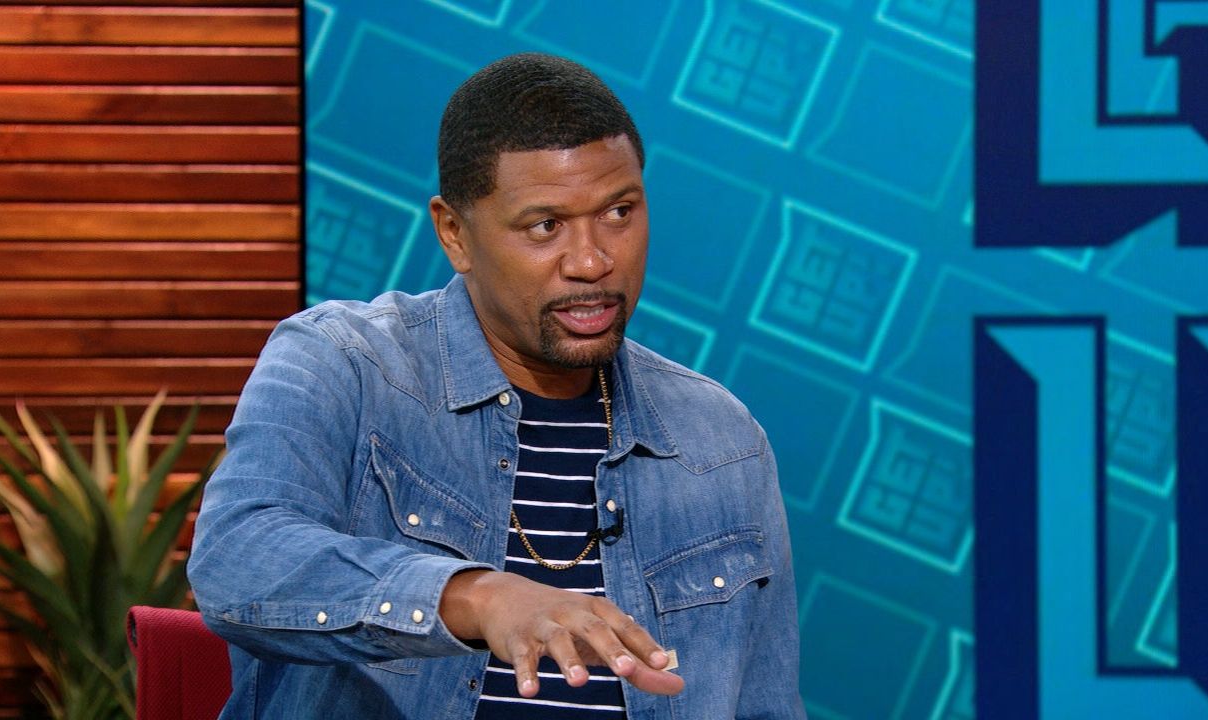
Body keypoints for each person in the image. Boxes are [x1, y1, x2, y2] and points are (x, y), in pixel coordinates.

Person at [188, 52, 806, 719]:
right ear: (454, 234)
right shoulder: (345, 364)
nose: (592, 261)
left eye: (619, 212)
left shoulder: (722, 441)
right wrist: (478, 598)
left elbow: (766, 707)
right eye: (546, 226)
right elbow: (236, 559)